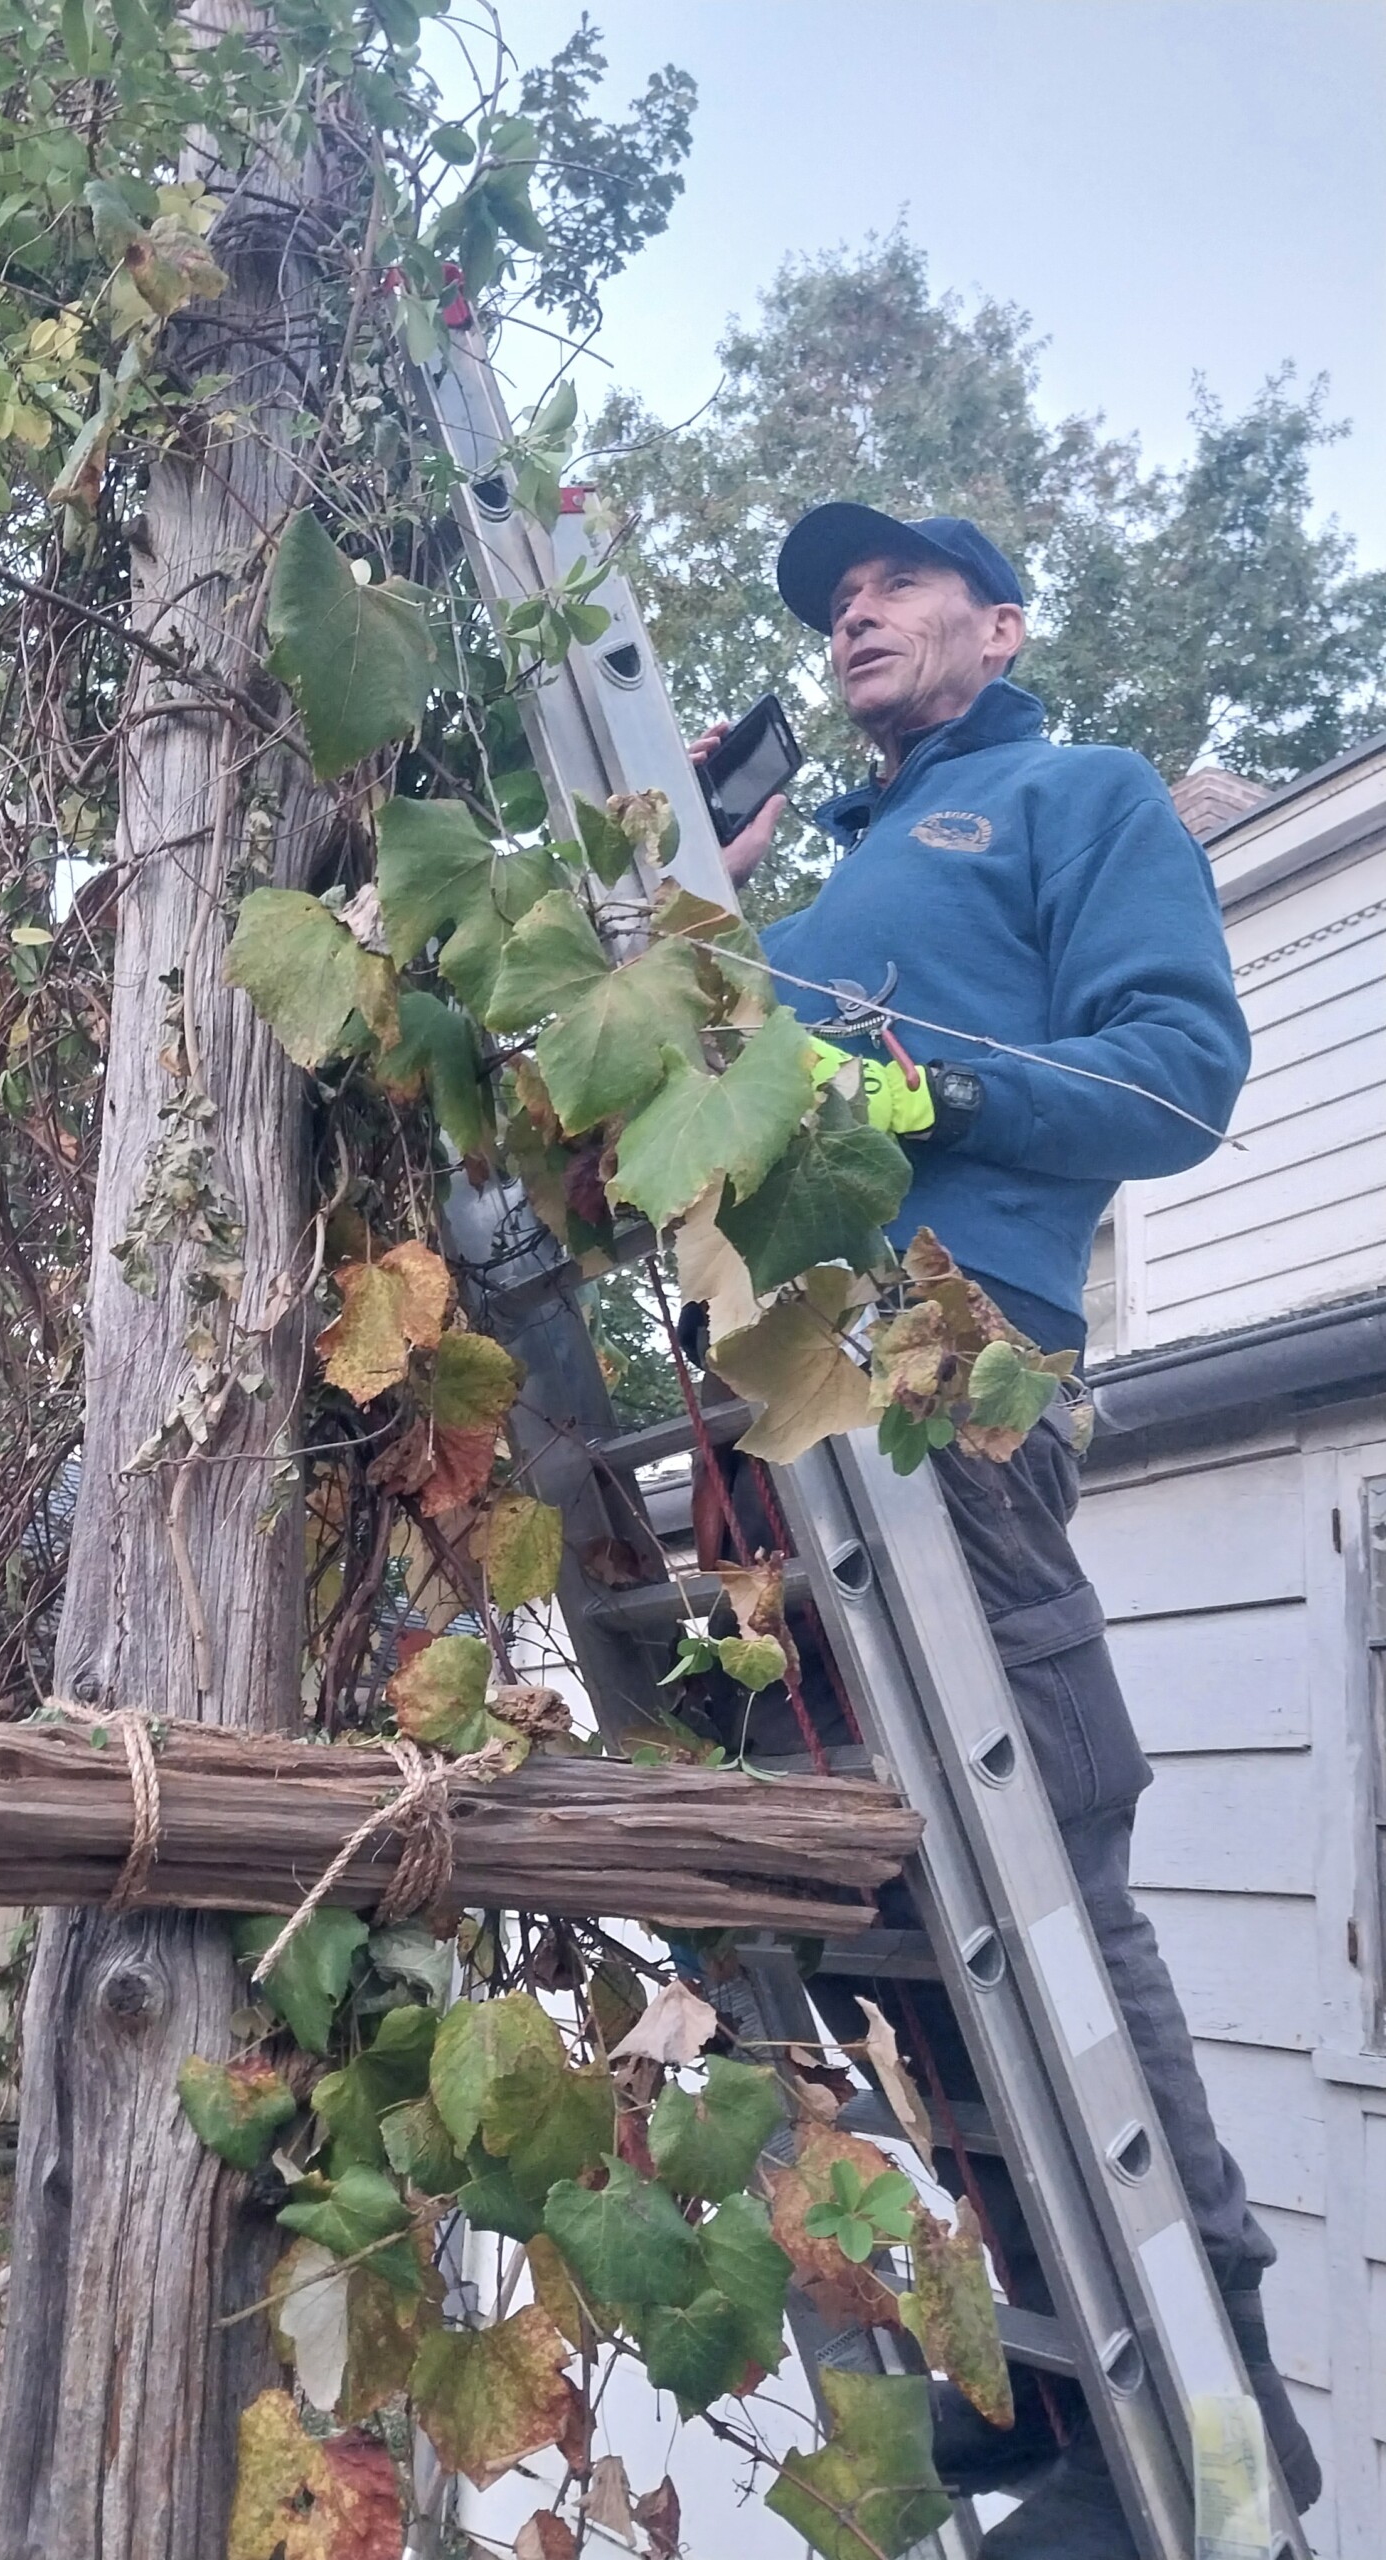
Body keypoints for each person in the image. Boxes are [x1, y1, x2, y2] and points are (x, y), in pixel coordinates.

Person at [691, 503, 1320, 2553]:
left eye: (891, 582)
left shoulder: (1072, 794)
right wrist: (698, 912)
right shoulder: (841, 859)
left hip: (948, 1358)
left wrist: (910, 1097)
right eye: (831, 598)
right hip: (766, 1380)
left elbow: (1179, 1075)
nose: (851, 610)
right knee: (880, 1893)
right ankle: (1028, 2371)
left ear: (1000, 618)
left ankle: (1217, 2403)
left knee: (1043, 1831)